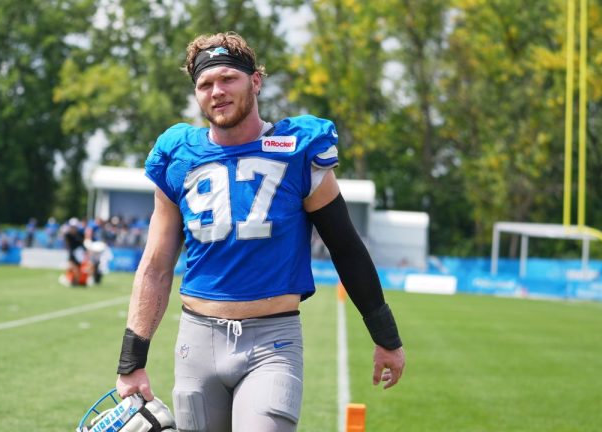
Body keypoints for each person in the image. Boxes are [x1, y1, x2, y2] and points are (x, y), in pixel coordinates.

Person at [114, 32, 405, 432]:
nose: (217, 91)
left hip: (273, 342)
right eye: (205, 84)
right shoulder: (179, 155)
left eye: (228, 78)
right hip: (196, 342)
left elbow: (346, 248)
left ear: (255, 81)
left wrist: (385, 335)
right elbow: (156, 266)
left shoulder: (297, 149)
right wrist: (131, 361)